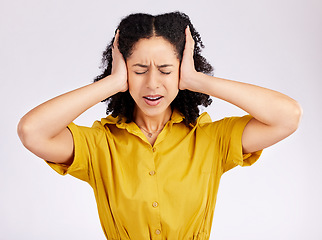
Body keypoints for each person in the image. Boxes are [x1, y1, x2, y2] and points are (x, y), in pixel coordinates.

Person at [17, 12, 302, 240]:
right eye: (139, 70)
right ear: (123, 70)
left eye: (166, 70)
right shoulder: (101, 144)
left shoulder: (210, 139)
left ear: (183, 69)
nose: (152, 83)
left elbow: (287, 116)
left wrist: (197, 80)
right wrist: (111, 84)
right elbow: (32, 131)